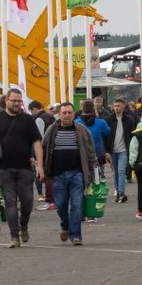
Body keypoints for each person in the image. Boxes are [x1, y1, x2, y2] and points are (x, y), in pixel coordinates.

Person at [0, 88, 45, 248]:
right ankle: (14, 236)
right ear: (6, 101)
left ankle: (23, 225)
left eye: (20, 101)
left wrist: (40, 166)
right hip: (3, 169)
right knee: (10, 203)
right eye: (14, 101)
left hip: (25, 168)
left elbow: (37, 143)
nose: (18, 104)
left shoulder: (27, 119)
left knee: (27, 201)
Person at [42, 103, 98, 245]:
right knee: (60, 205)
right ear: (59, 114)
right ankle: (64, 226)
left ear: (74, 114)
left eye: (69, 113)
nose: (67, 115)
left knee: (77, 205)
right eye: (64, 113)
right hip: (58, 174)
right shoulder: (52, 130)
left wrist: (95, 168)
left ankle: (75, 236)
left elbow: (90, 150)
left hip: (77, 174)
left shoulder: (82, 130)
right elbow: (43, 148)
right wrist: (41, 168)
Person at [76, 100, 111, 198]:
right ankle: (95, 201)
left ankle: (83, 199)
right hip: (98, 156)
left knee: (82, 181)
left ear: (82, 109)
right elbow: (108, 132)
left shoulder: (77, 123)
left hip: (82, 156)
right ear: (93, 109)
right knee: (97, 179)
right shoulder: (101, 123)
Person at [107, 97, 134, 204]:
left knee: (121, 170)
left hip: (123, 149)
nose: (116, 108)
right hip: (112, 149)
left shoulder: (128, 119)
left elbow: (132, 134)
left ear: (123, 106)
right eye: (115, 106)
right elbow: (106, 136)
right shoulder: (109, 119)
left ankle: (121, 192)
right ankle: (118, 191)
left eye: (118, 106)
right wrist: (106, 151)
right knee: (115, 172)